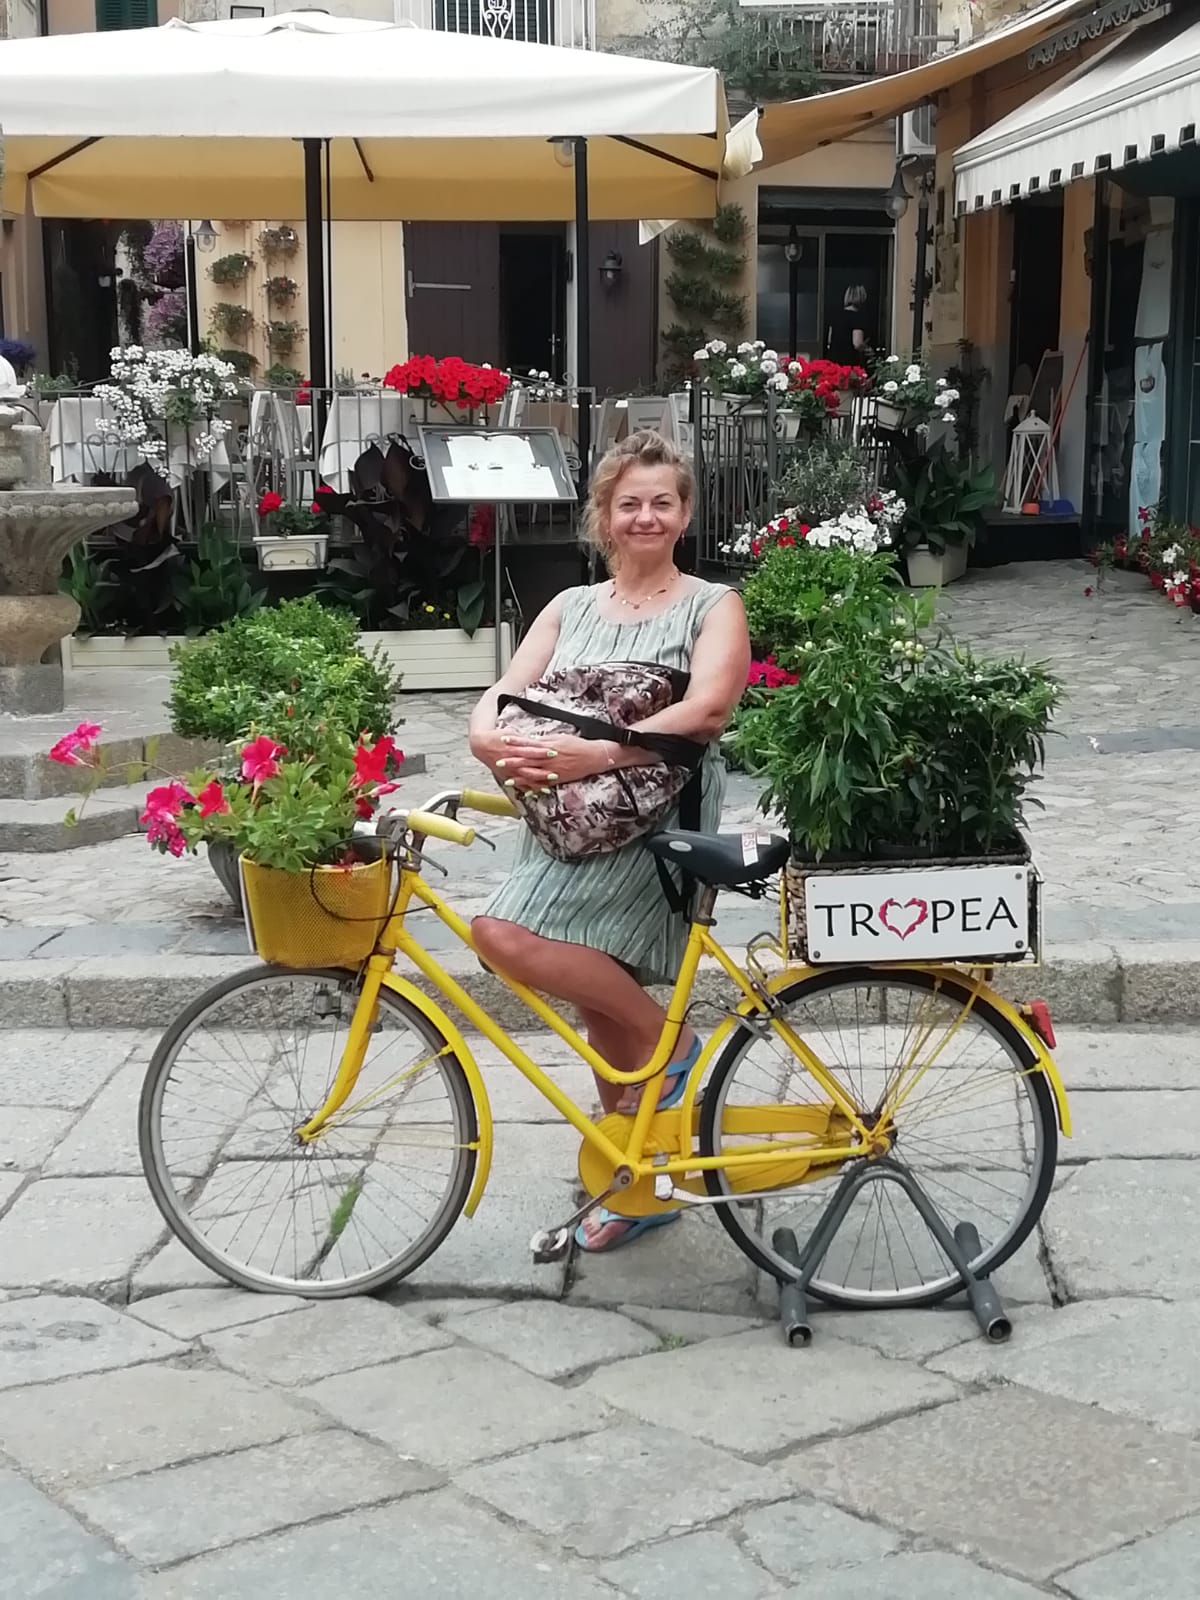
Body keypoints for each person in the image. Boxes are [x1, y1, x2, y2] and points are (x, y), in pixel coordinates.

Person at [469, 430, 751, 1252]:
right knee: (600, 997)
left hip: (655, 817)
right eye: (630, 503)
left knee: (500, 933)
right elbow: (505, 690)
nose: (646, 517)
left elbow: (707, 711)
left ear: (685, 514)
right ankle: (639, 1181)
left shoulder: (711, 604)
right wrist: (486, 737)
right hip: (562, 816)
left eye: (662, 502)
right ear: (604, 515)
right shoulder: (570, 606)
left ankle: (674, 1048)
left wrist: (598, 754)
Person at [827, 284, 872, 367]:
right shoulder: (858, 317)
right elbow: (857, 344)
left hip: (834, 359)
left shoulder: (835, 315)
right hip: (849, 361)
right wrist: (866, 348)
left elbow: (829, 340)